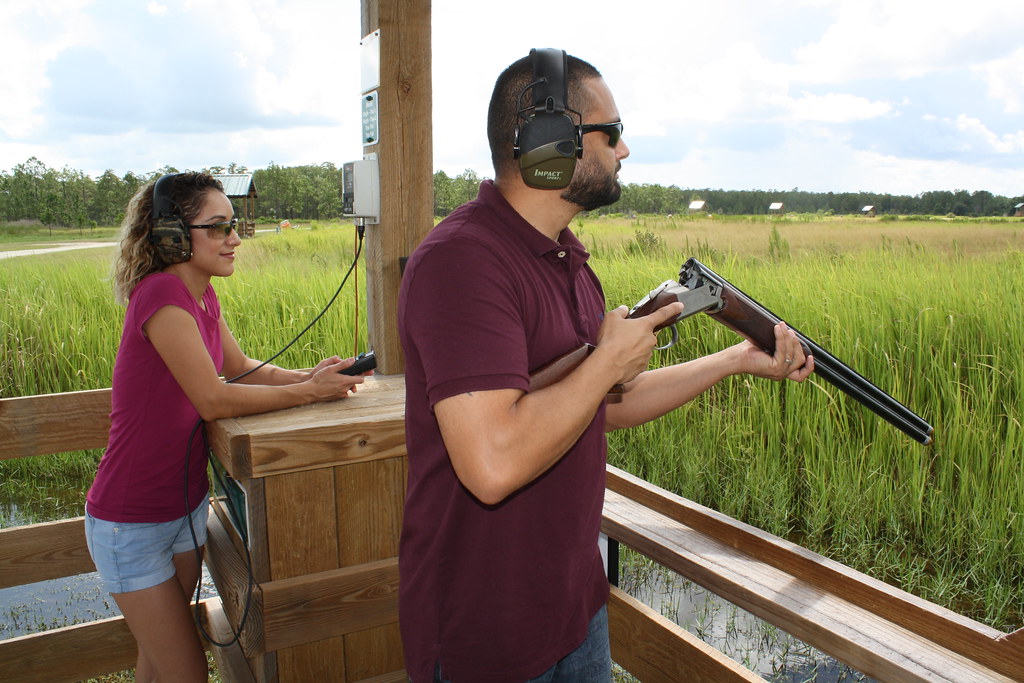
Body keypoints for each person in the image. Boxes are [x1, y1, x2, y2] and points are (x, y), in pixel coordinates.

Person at [397, 51, 814, 683]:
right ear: (550, 142)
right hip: (485, 629)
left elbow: (606, 404)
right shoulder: (461, 263)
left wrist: (733, 360)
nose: (624, 151)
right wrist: (605, 362)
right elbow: (493, 464)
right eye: (611, 133)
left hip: (574, 606)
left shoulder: (569, 260)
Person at [84, 171, 370, 682]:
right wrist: (309, 393)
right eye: (217, 228)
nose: (235, 238)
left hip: (183, 508)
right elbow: (213, 398)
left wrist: (314, 376)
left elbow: (240, 368)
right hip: (132, 520)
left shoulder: (201, 296)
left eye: (233, 225)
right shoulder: (161, 297)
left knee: (158, 661)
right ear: (173, 235)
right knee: (187, 672)